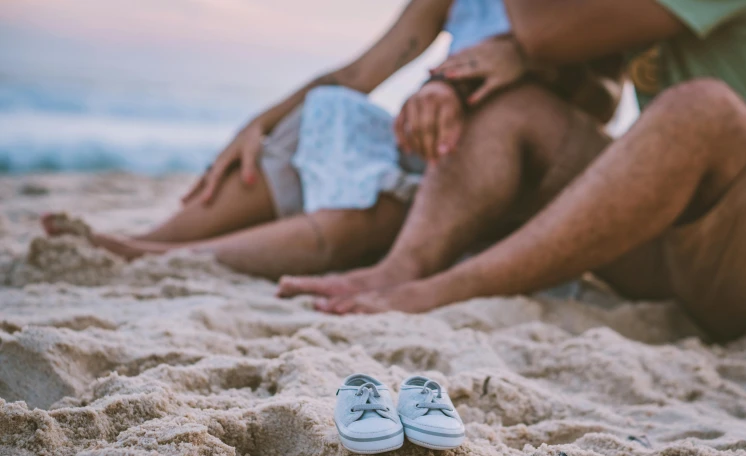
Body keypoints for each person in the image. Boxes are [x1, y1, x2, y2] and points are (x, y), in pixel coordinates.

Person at [279, 0, 746, 341]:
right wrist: (462, 77)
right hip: (687, 254)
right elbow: (579, 70)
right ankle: (400, 269)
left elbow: (547, 31)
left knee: (701, 109)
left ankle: (445, 288)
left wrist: (525, 47)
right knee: (512, 104)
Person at [41, 0, 622, 281]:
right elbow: (356, 74)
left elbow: (603, 100)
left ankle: (155, 259)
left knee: (364, 202)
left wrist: (520, 64)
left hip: (496, 178)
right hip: (431, 143)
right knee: (327, 111)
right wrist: (257, 125)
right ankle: (148, 238)